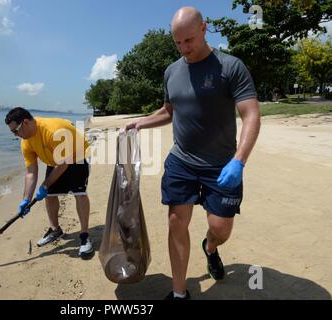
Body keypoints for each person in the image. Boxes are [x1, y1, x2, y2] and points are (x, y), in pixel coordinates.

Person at [125, 7, 261, 300]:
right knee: (176, 222)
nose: (184, 48)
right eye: (178, 43)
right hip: (182, 161)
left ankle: (210, 248)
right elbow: (169, 111)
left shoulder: (231, 66)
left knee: (220, 228)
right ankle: (179, 293)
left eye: (189, 40)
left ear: (204, 28)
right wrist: (141, 122)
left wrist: (239, 160)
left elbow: (251, 115)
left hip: (222, 164)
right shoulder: (172, 72)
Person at [5, 107, 94, 258]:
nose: (16, 135)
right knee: (50, 195)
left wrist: (45, 185)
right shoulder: (26, 142)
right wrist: (26, 199)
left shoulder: (52, 131)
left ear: (25, 122)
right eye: (13, 132)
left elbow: (65, 164)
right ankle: (55, 230)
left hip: (77, 155)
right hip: (56, 160)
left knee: (79, 193)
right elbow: (31, 172)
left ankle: (85, 236)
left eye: (16, 131)